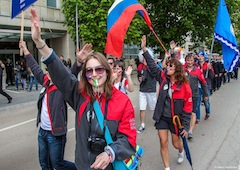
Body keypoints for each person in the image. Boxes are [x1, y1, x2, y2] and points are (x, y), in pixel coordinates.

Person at [29, 8, 136, 170]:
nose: (94, 74)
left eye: (99, 69)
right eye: (89, 70)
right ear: (85, 74)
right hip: (83, 166)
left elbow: (129, 139)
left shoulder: (123, 101)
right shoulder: (80, 95)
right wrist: (39, 42)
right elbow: (60, 73)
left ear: (107, 72)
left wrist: (110, 152)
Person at [19, 40, 78, 170]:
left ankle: (79, 168)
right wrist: (26, 50)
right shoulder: (46, 82)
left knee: (58, 164)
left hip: (55, 134)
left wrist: (78, 62)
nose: (47, 73)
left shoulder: (61, 88)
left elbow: (70, 75)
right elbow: (35, 68)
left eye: (50, 71)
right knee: (44, 164)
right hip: (43, 132)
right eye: (47, 70)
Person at [141, 35, 192, 170]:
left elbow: (188, 107)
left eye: (170, 66)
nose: (167, 68)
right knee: (163, 142)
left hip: (176, 120)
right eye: (167, 65)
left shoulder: (184, 86)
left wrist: (186, 127)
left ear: (177, 70)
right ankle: (167, 167)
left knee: (176, 143)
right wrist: (145, 50)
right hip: (163, 117)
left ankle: (181, 151)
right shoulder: (163, 78)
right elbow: (152, 66)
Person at [183, 54, 208, 140]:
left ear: (194, 61)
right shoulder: (182, 69)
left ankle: (190, 131)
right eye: (188, 60)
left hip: (194, 95)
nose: (189, 62)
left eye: (191, 60)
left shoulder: (197, 71)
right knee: (184, 112)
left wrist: (205, 94)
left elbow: (203, 83)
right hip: (183, 95)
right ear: (185, 61)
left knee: (193, 112)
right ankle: (183, 128)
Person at [137, 47, 157, 133]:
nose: (144, 58)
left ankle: (158, 120)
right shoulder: (140, 66)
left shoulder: (152, 66)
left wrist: (148, 65)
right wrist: (140, 79)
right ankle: (142, 124)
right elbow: (138, 77)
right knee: (142, 108)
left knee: (154, 107)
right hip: (142, 90)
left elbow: (154, 74)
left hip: (151, 90)